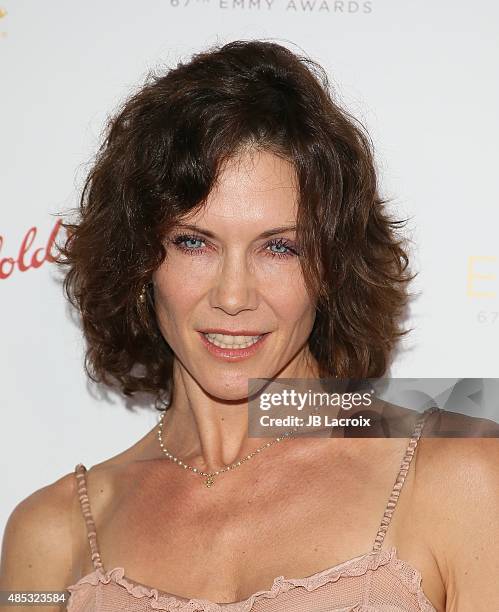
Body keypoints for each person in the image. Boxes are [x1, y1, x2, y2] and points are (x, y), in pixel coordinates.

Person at [1, 39, 498, 612]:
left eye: (280, 248)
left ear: (331, 267)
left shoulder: (460, 471)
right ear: (139, 260)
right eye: (194, 242)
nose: (233, 296)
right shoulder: (51, 535)